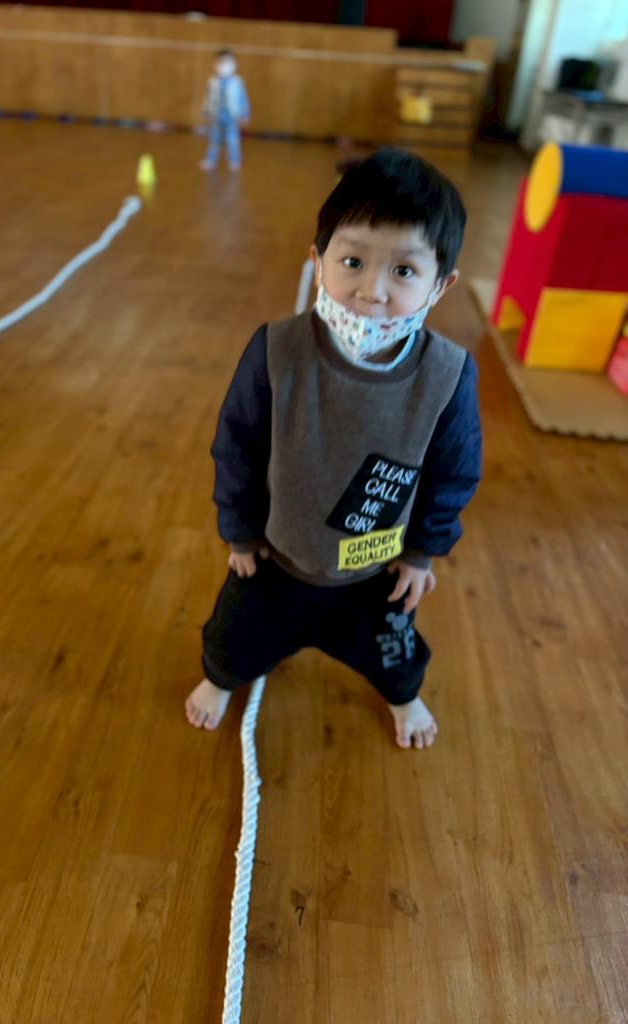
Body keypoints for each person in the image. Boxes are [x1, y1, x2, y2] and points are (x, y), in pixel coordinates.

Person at [186, 149, 482, 750]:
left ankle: (402, 696)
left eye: (404, 271)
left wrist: (422, 553)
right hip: (276, 559)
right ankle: (221, 680)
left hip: (377, 571)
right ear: (318, 260)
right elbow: (237, 444)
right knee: (232, 639)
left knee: (395, 655)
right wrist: (239, 531)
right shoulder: (277, 350)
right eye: (352, 262)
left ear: (441, 284)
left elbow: (454, 471)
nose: (372, 292)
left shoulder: (447, 375)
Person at [199, 49, 250, 172]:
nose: (223, 66)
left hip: (232, 116)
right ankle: (211, 160)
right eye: (220, 62)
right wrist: (205, 111)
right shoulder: (212, 82)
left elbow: (243, 99)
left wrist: (245, 114)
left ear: (234, 64)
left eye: (227, 62)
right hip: (217, 115)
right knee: (214, 139)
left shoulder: (237, 82)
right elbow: (208, 98)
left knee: (233, 140)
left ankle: (234, 160)